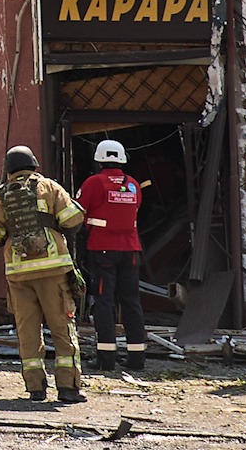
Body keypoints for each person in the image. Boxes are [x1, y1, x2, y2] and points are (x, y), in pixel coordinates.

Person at [0, 144, 86, 403]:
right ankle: (68, 387)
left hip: (18, 275)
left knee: (27, 331)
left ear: (8, 171)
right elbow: (73, 219)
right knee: (62, 328)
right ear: (34, 165)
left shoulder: (0, 196)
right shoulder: (49, 187)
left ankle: (35, 388)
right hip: (53, 271)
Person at [77, 139, 147, 372]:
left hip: (103, 249)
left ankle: (106, 358)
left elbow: (77, 212)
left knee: (104, 302)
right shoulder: (133, 184)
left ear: (99, 160)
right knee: (131, 301)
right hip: (131, 250)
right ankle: (137, 358)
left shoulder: (94, 182)